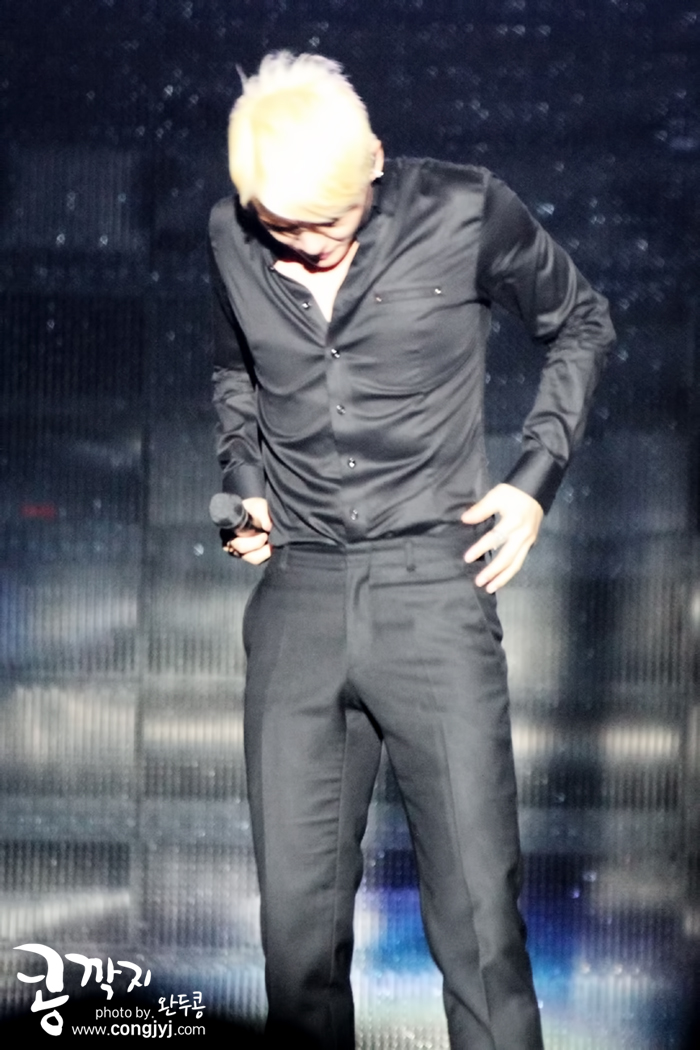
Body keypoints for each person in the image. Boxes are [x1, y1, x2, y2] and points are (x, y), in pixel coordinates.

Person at [207, 51, 615, 1050]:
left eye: (327, 223)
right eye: (281, 226)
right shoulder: (229, 236)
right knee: (296, 945)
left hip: (432, 590)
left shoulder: (468, 211)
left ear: (376, 162)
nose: (305, 247)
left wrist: (534, 481)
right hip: (298, 600)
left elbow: (582, 322)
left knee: (479, 929)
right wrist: (242, 489)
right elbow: (236, 372)